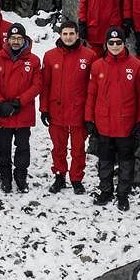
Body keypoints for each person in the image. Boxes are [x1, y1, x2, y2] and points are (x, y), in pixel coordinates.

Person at [85, 28, 140, 211]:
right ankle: (105, 190)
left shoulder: (136, 66)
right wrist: (89, 119)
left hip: (125, 124)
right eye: (111, 43)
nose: (114, 46)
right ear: (105, 44)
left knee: (126, 160)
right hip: (103, 123)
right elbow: (91, 94)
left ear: (124, 43)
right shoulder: (97, 66)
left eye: (118, 42)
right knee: (105, 159)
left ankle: (123, 194)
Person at [40, 21, 92, 195]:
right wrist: (44, 109)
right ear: (60, 35)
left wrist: (90, 114)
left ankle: (76, 178)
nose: (68, 37)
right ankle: (60, 175)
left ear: (77, 35)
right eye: (65, 34)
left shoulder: (89, 56)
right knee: (58, 146)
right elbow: (45, 85)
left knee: (78, 148)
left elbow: (93, 88)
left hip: (79, 110)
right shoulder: (49, 56)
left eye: (71, 33)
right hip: (57, 109)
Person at [0, 23, 42, 193]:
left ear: (25, 39)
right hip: (3, 113)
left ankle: (21, 176)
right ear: (8, 39)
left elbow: (37, 85)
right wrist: (0, 102)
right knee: (3, 148)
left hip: (23, 112)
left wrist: (20, 102)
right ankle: (5, 177)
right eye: (13, 38)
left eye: (19, 38)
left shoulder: (33, 60)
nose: (16, 41)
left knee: (22, 148)